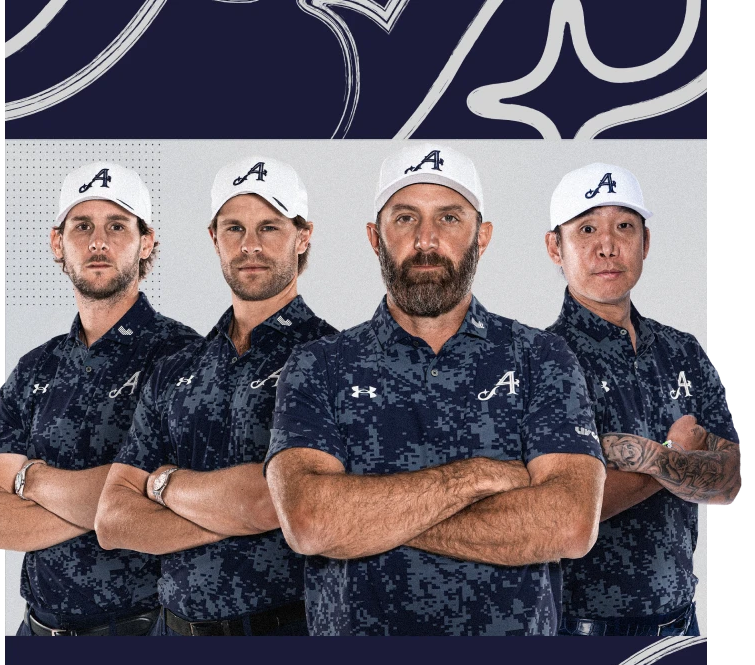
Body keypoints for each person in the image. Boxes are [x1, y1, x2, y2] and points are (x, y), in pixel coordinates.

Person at [264, 143, 606, 636]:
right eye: (405, 218)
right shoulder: (320, 364)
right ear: (374, 237)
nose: (426, 240)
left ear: (481, 236)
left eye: (449, 218)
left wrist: (366, 520)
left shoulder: (542, 357)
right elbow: (310, 521)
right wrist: (474, 478)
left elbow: (571, 524)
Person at [95, 156, 336, 636]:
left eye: (269, 227)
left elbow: (279, 503)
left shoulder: (333, 359)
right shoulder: (176, 369)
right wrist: (242, 512)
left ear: (303, 236)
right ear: (214, 238)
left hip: (285, 633)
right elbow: (112, 519)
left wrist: (163, 487)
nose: (250, 246)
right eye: (234, 229)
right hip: (172, 634)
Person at [0, 163, 200, 635]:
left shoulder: (185, 356)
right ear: (58, 243)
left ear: (146, 242)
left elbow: (183, 501)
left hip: (144, 630)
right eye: (82, 226)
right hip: (35, 632)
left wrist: (29, 481)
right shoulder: (34, 367)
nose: (99, 241)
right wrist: (121, 502)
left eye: (117, 226)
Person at [545, 162, 741, 636]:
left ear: (645, 242)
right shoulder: (542, 361)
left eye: (624, 227)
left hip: (682, 620)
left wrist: (644, 458)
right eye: (586, 228)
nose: (608, 245)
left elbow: (734, 478)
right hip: (581, 628)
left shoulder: (683, 350)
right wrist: (676, 456)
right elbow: (566, 512)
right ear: (556, 246)